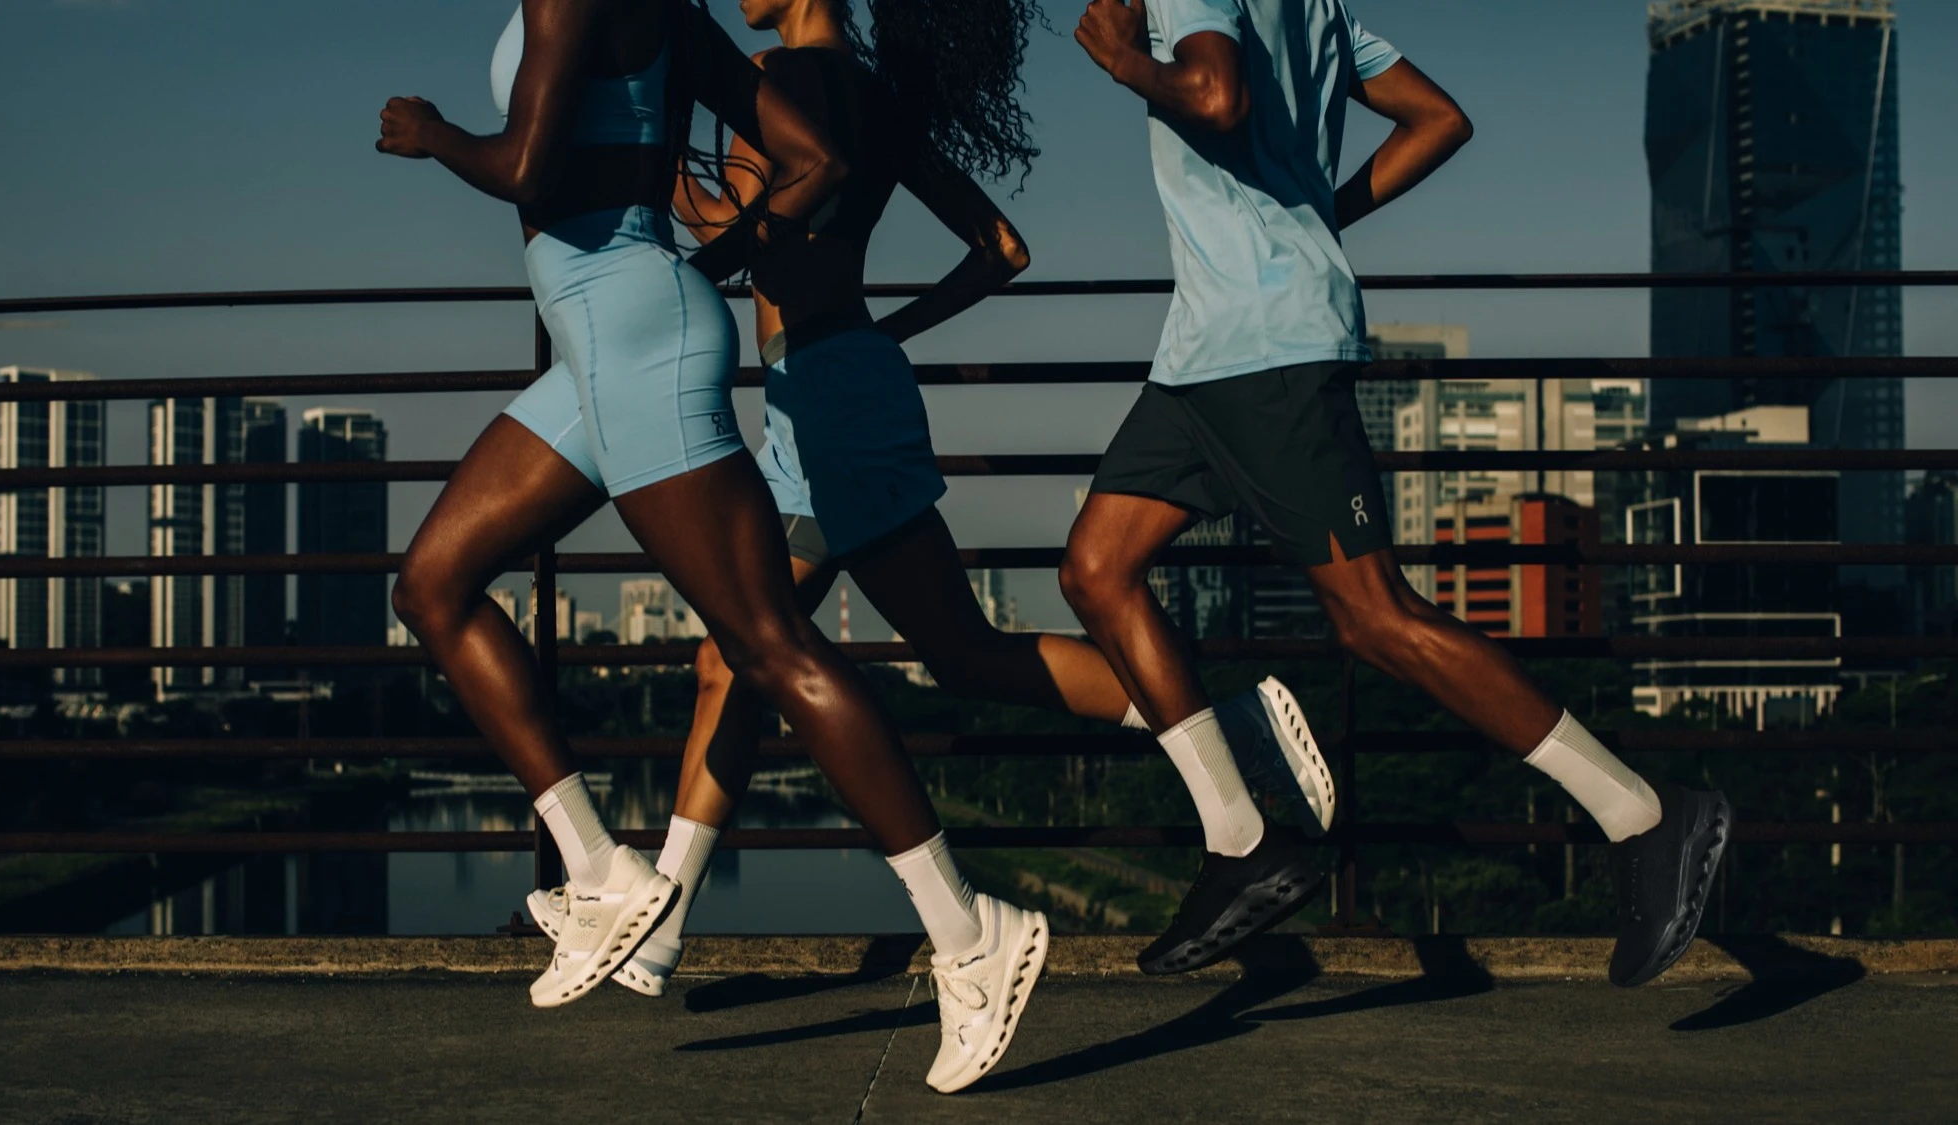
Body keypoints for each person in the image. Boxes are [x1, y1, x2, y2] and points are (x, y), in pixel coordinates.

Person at [534, 0, 1339, 1006]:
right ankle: (663, 925)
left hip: (827, 403)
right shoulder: (876, 95)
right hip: (836, 387)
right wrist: (885, 333)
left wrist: (641, 182)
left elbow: (738, 229)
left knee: (775, 650)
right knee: (819, 654)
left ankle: (1222, 734)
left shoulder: (769, 82)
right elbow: (1000, 247)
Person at [377, 0, 1042, 1089]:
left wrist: (433, 133)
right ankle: (600, 870)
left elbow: (529, 169)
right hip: (612, 339)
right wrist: (722, 254)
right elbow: (813, 157)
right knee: (434, 583)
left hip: (627, 338)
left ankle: (971, 934)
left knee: (771, 644)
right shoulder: (671, 11)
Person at [1068, 0, 1731, 986]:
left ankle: (1640, 814)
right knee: (1095, 569)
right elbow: (1437, 117)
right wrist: (1317, 213)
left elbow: (1211, 92)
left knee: (1373, 620)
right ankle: (1240, 837)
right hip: (1200, 357)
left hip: (1267, 356)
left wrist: (1128, 64)